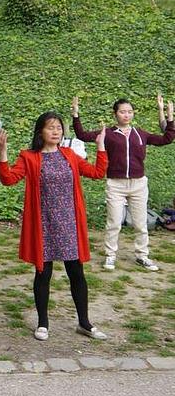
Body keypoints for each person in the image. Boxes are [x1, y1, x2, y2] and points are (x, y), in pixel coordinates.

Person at [0, 112, 109, 341]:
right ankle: (43, 323)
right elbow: (8, 179)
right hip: (44, 223)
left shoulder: (69, 155)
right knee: (43, 273)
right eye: (51, 127)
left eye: (58, 127)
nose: (56, 131)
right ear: (41, 132)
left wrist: (101, 146)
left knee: (76, 272)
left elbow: (97, 173)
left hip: (69, 223)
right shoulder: (29, 157)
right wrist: (2, 151)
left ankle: (84, 323)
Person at [72, 96, 175, 272]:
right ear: (115, 114)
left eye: (129, 112)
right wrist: (75, 115)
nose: (126, 115)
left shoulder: (140, 133)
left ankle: (142, 255)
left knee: (140, 223)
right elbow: (82, 135)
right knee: (114, 222)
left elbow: (167, 139)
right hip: (116, 184)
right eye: (122, 112)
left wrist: (169, 116)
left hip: (138, 184)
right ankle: (110, 254)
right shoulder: (108, 133)